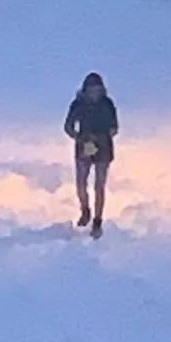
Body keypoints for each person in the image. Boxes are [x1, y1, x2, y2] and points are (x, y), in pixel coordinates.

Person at [64, 72, 119, 237]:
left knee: (99, 185)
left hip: (103, 145)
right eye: (92, 89)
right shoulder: (78, 104)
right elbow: (68, 126)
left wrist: (104, 136)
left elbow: (114, 127)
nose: (95, 93)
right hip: (84, 145)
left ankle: (97, 220)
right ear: (86, 90)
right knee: (81, 182)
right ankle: (85, 210)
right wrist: (80, 138)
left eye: (97, 89)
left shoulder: (107, 104)